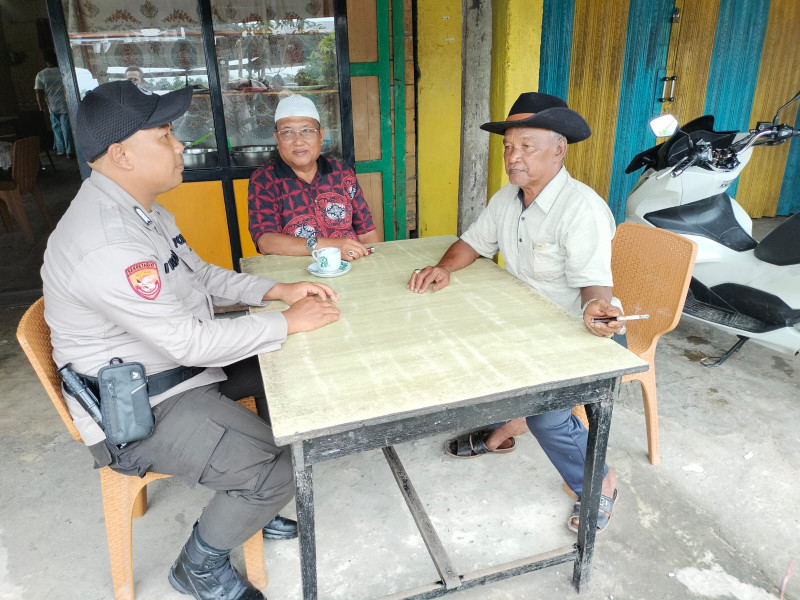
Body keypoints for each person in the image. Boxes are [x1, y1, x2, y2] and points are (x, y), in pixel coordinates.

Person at [41, 80, 342, 600]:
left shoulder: (144, 211)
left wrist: (278, 289)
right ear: (121, 154)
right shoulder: (108, 241)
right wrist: (287, 320)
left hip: (174, 370)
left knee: (293, 369)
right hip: (139, 406)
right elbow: (188, 343)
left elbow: (202, 277)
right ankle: (199, 566)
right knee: (281, 466)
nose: (180, 145)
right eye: (164, 135)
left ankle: (247, 504)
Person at [407, 92, 625, 534]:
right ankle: (510, 419)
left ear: (558, 149)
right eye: (508, 146)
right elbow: (473, 242)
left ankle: (598, 483)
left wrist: (597, 310)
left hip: (579, 331)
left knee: (548, 411)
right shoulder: (509, 198)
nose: (513, 156)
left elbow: (594, 286)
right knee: (456, 342)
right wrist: (444, 267)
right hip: (525, 323)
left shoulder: (580, 208)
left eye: (527, 146)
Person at [248, 94, 379, 261]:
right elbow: (265, 241)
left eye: (307, 131)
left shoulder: (342, 173)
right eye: (287, 132)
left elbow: (367, 233)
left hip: (351, 267)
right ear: (277, 138)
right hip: (299, 277)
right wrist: (330, 245)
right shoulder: (265, 180)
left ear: (321, 135)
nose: (298, 141)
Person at [34, 48, 75, 158]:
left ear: (45, 61)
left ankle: (60, 150)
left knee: (56, 127)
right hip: (65, 104)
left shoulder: (41, 74)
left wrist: (40, 106)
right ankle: (69, 151)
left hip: (52, 106)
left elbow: (38, 91)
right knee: (66, 128)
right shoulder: (63, 71)